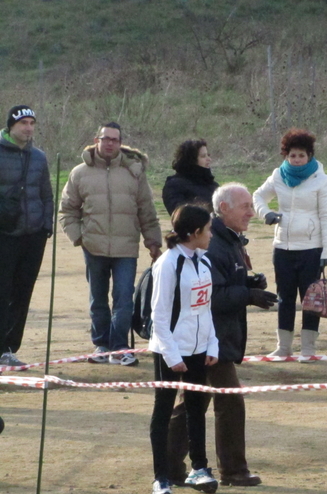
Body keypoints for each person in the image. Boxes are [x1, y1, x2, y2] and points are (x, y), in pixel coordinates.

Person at [167, 183, 277, 487]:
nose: (251, 213)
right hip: (208, 336)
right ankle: (233, 470)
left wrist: (248, 281)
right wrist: (248, 294)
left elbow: (223, 281)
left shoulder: (226, 240)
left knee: (194, 400)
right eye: (245, 206)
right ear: (224, 208)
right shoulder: (215, 243)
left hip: (214, 335)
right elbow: (211, 295)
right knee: (227, 401)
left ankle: (170, 464)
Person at [60, 122, 162, 366]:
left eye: (114, 139)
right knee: (98, 299)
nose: (109, 143)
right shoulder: (79, 173)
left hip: (126, 248)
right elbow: (67, 210)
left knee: (124, 298)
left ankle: (120, 347)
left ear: (120, 143)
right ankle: (101, 345)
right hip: (93, 247)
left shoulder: (134, 172)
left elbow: (146, 210)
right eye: (105, 138)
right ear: (96, 140)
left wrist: (154, 243)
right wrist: (79, 237)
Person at [148, 204, 219, 494]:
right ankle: (161, 478)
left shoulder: (204, 261)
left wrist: (212, 343)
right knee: (163, 411)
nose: (212, 234)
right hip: (171, 350)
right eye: (208, 229)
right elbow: (159, 316)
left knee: (196, 408)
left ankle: (199, 467)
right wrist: (172, 355)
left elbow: (205, 308)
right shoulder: (168, 263)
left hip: (199, 348)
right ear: (194, 233)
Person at [253, 128, 327, 359]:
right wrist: (266, 213)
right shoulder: (278, 175)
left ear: (309, 155)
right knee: (285, 298)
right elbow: (258, 196)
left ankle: (308, 348)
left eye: (301, 155)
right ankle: (284, 347)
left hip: (312, 249)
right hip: (282, 248)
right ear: (286, 156)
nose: (297, 160)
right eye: (292, 155)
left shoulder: (322, 180)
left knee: (310, 300)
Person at [0, 105, 53, 367]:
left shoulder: (39, 157)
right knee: (2, 290)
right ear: (11, 126)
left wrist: (46, 226)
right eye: (24, 123)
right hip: (4, 234)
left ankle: (9, 348)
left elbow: (46, 193)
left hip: (33, 235)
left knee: (22, 293)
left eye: (32, 123)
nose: (29, 128)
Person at [162, 139, 219, 215]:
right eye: (203, 156)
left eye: (208, 155)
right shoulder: (174, 186)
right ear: (191, 160)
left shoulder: (212, 185)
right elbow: (180, 216)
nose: (209, 159)